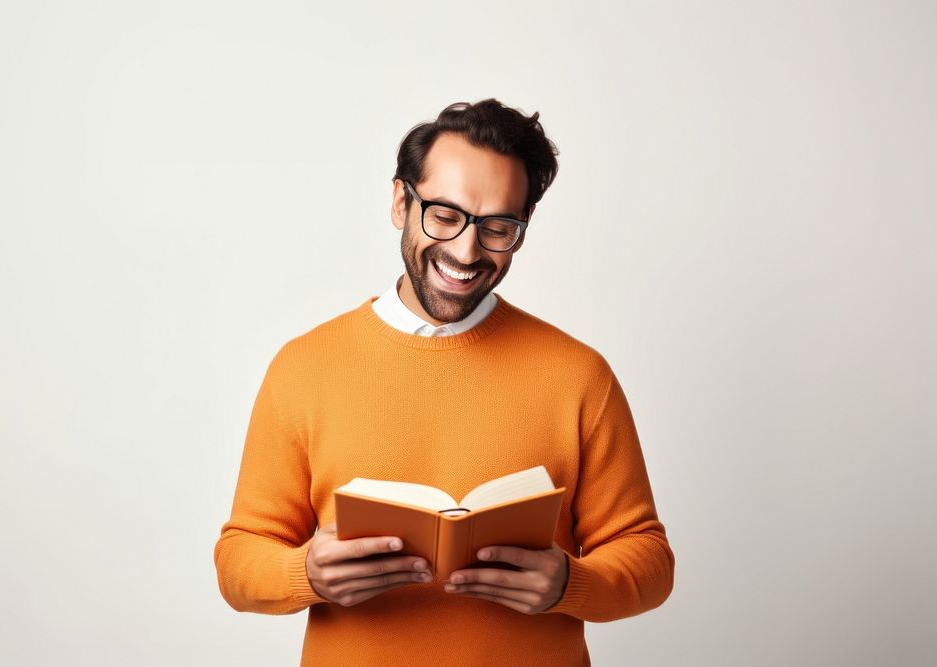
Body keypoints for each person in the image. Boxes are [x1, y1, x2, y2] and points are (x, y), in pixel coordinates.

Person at [213, 98, 675, 666]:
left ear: (522, 230)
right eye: (445, 215)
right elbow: (238, 563)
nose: (466, 250)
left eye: (498, 226)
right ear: (400, 201)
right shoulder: (304, 366)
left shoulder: (579, 375)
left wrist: (570, 584)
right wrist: (302, 572)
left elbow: (649, 560)